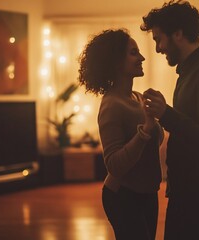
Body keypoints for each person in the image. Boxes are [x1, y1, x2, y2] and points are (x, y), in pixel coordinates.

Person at [140, 1, 199, 239]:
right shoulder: (190, 70)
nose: (158, 49)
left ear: (178, 34)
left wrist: (167, 114)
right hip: (186, 187)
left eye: (158, 39)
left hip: (197, 189)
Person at [77, 29, 164, 240]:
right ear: (116, 62)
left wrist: (159, 115)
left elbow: (154, 142)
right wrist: (145, 130)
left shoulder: (138, 98)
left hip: (148, 193)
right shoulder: (111, 105)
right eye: (134, 53)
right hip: (123, 196)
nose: (142, 57)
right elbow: (114, 165)